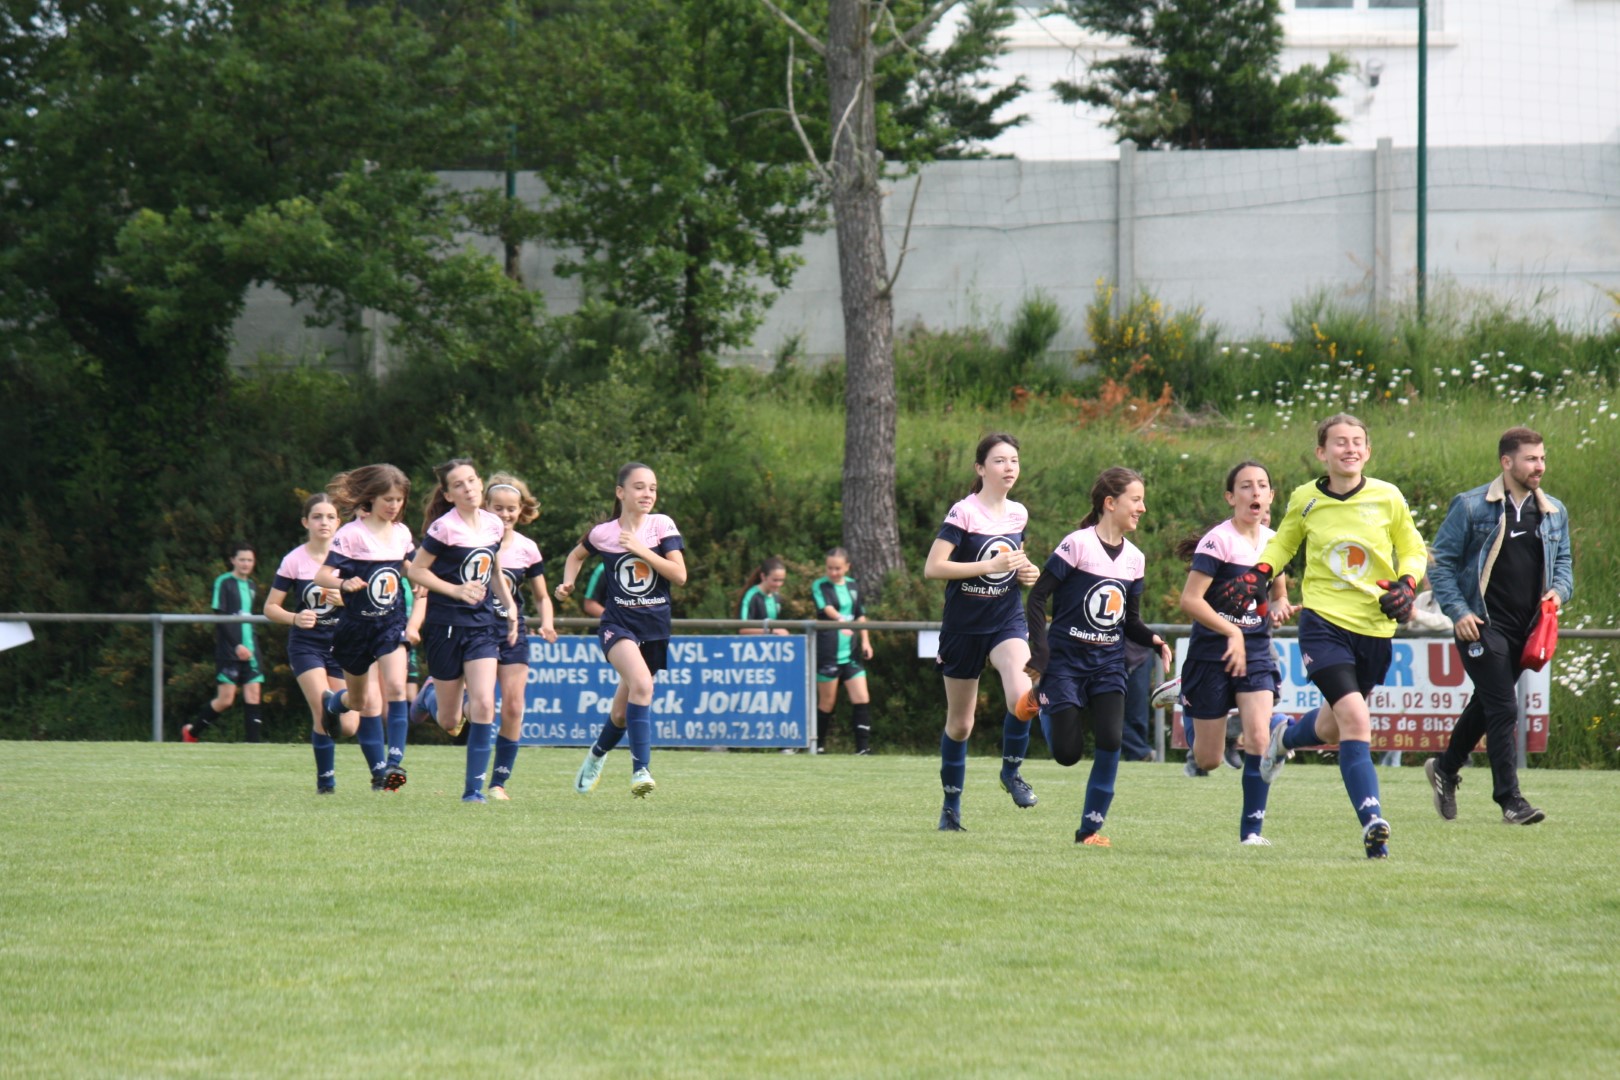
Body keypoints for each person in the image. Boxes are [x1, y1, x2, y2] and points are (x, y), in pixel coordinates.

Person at [1219, 414, 1428, 859]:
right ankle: (1372, 822)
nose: (1349, 448)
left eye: (1357, 442)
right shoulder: (1306, 498)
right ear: (1322, 452)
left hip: (1374, 626)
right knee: (1355, 717)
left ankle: (1283, 739)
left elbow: (1412, 548)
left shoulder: (1387, 496)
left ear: (1367, 451)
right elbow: (1283, 543)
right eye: (1339, 442)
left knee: (1334, 723)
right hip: (1323, 623)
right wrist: (1261, 571)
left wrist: (1408, 584)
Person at [1426, 426, 1573, 825]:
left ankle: (1445, 768)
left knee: (1487, 703)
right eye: (1531, 459)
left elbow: (1564, 563)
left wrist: (1559, 591)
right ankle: (1511, 800)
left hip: (1527, 630)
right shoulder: (1470, 506)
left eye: (1542, 458)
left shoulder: (1554, 511)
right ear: (1507, 462)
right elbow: (1438, 563)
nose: (1539, 466)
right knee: (1505, 706)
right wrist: (1459, 611)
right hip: (1480, 625)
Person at [1025, 467, 1172, 848]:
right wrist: (1041, 652)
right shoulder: (1077, 545)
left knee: (1111, 740)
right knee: (1067, 754)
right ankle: (1042, 703)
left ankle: (1088, 831)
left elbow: (1130, 621)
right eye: (1135, 500)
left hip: (1108, 664)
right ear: (1110, 503)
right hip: (1066, 664)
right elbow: (1037, 597)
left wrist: (1154, 640)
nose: (1142, 508)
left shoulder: (1135, 558)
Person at [924, 432, 1041, 830]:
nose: (1009, 467)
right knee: (961, 725)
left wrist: (1028, 571)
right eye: (999, 461)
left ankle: (1011, 772)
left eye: (1014, 460)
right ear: (980, 468)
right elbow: (934, 567)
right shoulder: (964, 512)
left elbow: (1015, 559)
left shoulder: (1018, 513)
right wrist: (987, 567)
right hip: (964, 628)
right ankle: (951, 808)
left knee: (1024, 697)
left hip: (1006, 621)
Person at [1175, 460, 1291, 845]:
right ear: (1230, 497)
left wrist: (1280, 607)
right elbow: (1190, 600)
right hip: (1210, 654)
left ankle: (1251, 833)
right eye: (1245, 486)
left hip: (1255, 651)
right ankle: (1184, 695)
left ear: (1271, 496)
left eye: (1262, 485)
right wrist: (1230, 631)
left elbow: (1278, 593)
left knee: (1259, 739)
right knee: (1208, 759)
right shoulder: (1217, 541)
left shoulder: (1276, 543)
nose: (1255, 491)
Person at [556, 462, 687, 798]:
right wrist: (568, 583)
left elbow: (679, 575)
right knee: (642, 685)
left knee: (620, 712)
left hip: (655, 629)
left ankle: (596, 755)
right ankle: (641, 771)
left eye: (652, 488)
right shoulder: (604, 533)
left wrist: (641, 550)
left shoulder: (661, 525)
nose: (647, 494)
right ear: (621, 492)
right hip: (618, 625)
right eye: (639, 487)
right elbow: (575, 556)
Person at [407, 458, 522, 803]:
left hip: (482, 626)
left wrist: (510, 607)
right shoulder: (443, 529)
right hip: (444, 627)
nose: (468, 488)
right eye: (458, 484)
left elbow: (494, 569)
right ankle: (428, 695)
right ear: (448, 494)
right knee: (449, 720)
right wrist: (455, 590)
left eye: (471, 480)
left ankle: (473, 791)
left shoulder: (493, 524)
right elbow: (416, 571)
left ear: (480, 483)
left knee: (485, 705)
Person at [313, 464, 414, 791]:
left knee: (396, 689)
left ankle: (394, 763)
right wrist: (344, 583)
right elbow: (322, 576)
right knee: (359, 702)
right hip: (356, 628)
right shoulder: (351, 534)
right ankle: (333, 704)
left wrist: (431, 582)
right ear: (372, 498)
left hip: (390, 624)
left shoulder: (402, 533)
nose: (394, 505)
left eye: (399, 499)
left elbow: (412, 567)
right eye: (388, 499)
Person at [264, 494, 367, 792]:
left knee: (349, 725)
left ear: (339, 522)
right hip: (306, 645)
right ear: (305, 522)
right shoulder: (294, 560)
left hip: (342, 645)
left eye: (330, 517)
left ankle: (331, 770)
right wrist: (295, 618)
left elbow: (372, 604)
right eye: (317, 516)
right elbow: (270, 607)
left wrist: (346, 600)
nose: (324, 522)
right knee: (321, 708)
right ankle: (326, 782)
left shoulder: (350, 560)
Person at [486, 473, 558, 799]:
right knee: (478, 709)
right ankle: (435, 693)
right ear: (485, 507)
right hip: (476, 631)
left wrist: (547, 623)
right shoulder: (470, 541)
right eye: (498, 508)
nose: (505, 514)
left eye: (511, 508)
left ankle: (498, 782)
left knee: (514, 707)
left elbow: (542, 596)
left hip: (513, 633)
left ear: (520, 509)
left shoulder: (527, 548)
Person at [182, 542, 264, 743]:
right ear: (233, 560)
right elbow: (219, 617)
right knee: (226, 700)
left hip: (251, 650)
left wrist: (249, 645)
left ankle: (254, 745)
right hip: (230, 651)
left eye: (250, 560)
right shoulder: (224, 582)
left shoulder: (252, 585)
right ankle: (192, 733)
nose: (246, 564)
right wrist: (237, 645)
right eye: (242, 559)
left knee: (254, 694)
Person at [811, 548, 874, 754]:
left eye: (838, 568)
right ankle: (818, 746)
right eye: (829, 568)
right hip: (828, 651)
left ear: (847, 567)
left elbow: (860, 615)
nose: (833, 572)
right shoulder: (820, 585)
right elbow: (826, 608)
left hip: (851, 652)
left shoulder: (853, 585)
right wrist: (841, 620)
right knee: (827, 703)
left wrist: (865, 641)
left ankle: (862, 749)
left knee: (862, 698)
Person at [739, 557, 790, 635]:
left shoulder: (777, 597)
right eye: (775, 580)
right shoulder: (751, 596)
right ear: (763, 577)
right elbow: (743, 629)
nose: (778, 584)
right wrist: (772, 631)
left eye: (781, 580)